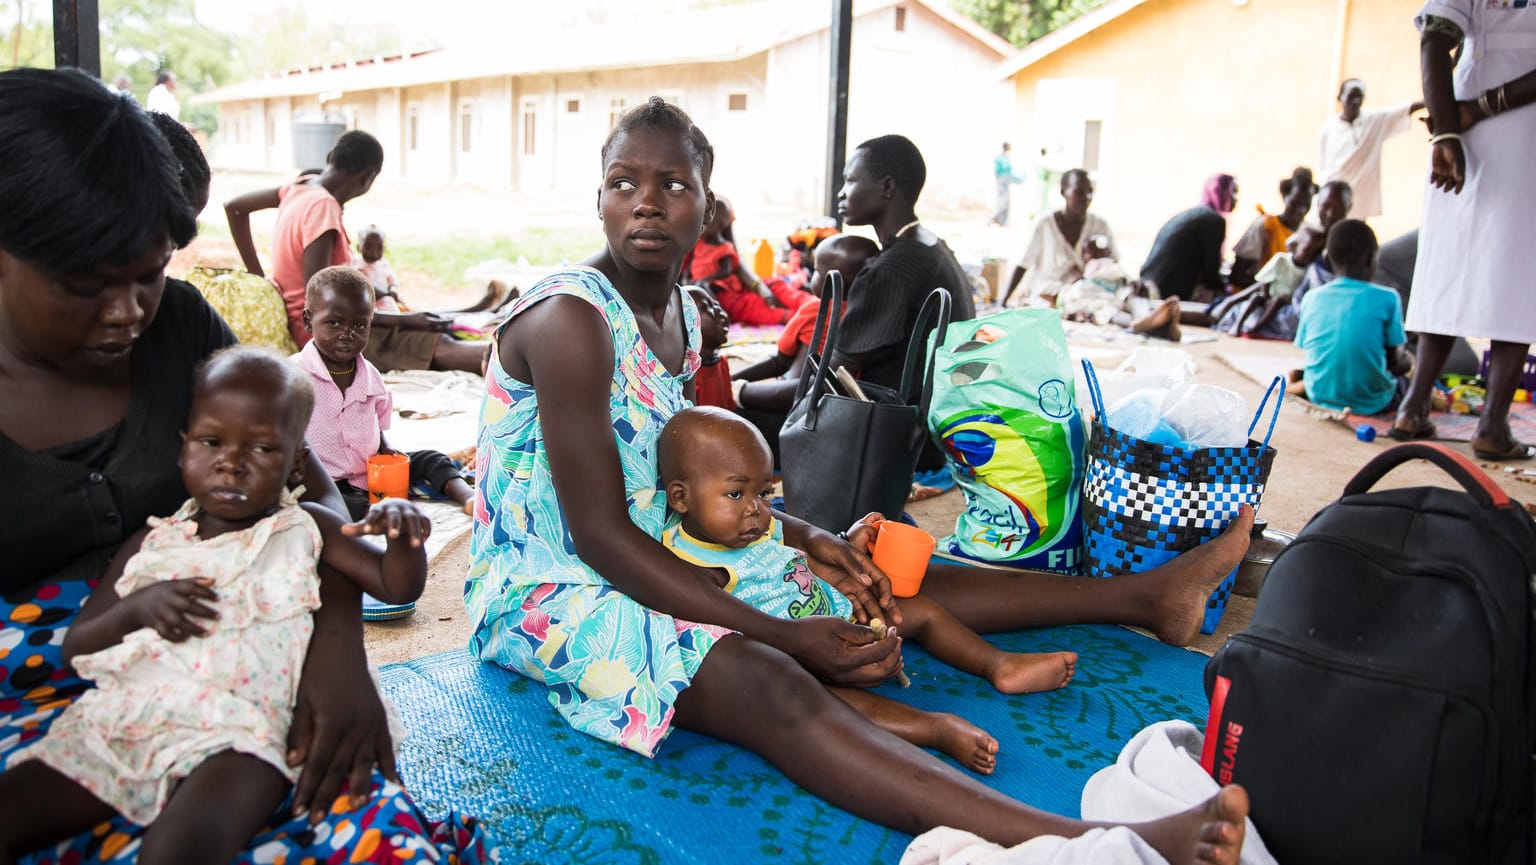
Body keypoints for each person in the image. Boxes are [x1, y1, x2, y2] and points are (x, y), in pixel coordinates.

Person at [467, 95, 1252, 859]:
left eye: (673, 185)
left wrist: (804, 535)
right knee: (764, 675)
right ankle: (1090, 842)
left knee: (876, 568)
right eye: (623, 183)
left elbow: (665, 478)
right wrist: (779, 631)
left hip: (661, 535)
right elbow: (597, 535)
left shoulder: (678, 310)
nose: (646, 204)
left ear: (707, 209)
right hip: (550, 585)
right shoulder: (572, 319)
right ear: (598, 198)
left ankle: (1146, 596)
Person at [0, 67, 490, 863]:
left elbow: (309, 499)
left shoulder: (185, 331)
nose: (127, 311)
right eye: (84, 285)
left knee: (367, 836)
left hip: (244, 668)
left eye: (148, 275)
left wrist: (334, 649)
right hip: (57, 678)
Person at [0, 347, 434, 863]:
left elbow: (394, 588)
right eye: (212, 442)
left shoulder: (308, 527)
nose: (231, 462)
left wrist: (406, 540)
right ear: (183, 451)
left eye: (262, 449)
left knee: (180, 849)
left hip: (249, 732)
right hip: (134, 717)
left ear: (296, 460)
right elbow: (76, 647)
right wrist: (138, 608)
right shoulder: (153, 543)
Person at [658, 407, 1079, 773]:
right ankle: (935, 728)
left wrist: (845, 537)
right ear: (681, 497)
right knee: (828, 699)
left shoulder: (755, 524)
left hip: (839, 614)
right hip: (798, 654)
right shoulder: (692, 565)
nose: (757, 509)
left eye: (765, 493)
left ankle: (999, 664)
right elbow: (724, 633)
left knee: (918, 610)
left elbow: (798, 556)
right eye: (736, 493)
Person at [1394, 3, 1536, 460]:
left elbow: (1435, 37)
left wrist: (1447, 133)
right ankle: (1493, 426)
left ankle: (1412, 408)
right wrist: (1476, 111)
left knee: (1447, 260)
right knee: (1518, 271)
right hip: (1519, 121)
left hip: (1456, 113)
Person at [224, 132, 488, 374]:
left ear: (331, 159)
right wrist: (404, 320)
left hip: (321, 323)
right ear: (367, 178)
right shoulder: (323, 207)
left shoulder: (298, 188)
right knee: (433, 342)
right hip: (329, 334)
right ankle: (511, 360)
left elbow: (234, 206)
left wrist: (256, 274)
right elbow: (324, 298)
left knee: (431, 328)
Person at [296, 266, 475, 517]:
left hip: (370, 473)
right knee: (316, 503)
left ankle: (467, 496)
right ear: (308, 321)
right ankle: (377, 511)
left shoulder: (370, 375)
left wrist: (386, 448)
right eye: (334, 323)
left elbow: (374, 423)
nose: (347, 334)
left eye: (359, 325)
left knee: (431, 459)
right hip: (324, 482)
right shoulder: (294, 376)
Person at [732, 234, 880, 457]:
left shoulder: (815, 310)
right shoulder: (873, 317)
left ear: (832, 279)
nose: (812, 278)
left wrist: (734, 382)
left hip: (787, 403)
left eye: (817, 271)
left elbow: (779, 361)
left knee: (732, 416)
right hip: (838, 416)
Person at [1290, 220, 1412, 415]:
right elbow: (1395, 364)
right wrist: (1408, 360)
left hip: (1318, 393)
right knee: (1407, 379)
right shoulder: (1388, 298)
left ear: (1327, 257)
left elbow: (1312, 348)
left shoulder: (1311, 297)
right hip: (1373, 401)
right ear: (1371, 259)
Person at [686, 195, 811, 326]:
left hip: (733, 288)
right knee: (752, 306)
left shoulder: (724, 247)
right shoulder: (694, 245)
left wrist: (762, 290)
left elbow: (736, 268)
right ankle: (796, 317)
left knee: (775, 284)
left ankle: (812, 306)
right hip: (720, 297)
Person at [1001, 169, 1116, 308]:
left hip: (1083, 295)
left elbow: (1113, 265)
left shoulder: (1100, 227)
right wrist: (1003, 301)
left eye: (1090, 192)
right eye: (1078, 192)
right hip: (1046, 294)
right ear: (1063, 192)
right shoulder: (1044, 224)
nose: (1086, 197)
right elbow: (1023, 264)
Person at [1318, 78, 1423, 221]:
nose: (1355, 101)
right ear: (1340, 97)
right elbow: (1322, 165)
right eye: (1350, 96)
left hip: (1360, 201)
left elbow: (1404, 110)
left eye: (1359, 97)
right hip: (1334, 197)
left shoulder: (1373, 121)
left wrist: (1435, 97)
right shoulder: (1329, 129)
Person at [356, 224, 512, 316]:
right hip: (377, 312)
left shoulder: (384, 265)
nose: (373, 252)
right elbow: (364, 286)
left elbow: (392, 281)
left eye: (379, 247)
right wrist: (388, 294)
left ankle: (481, 310)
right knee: (423, 317)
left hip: (393, 305)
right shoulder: (357, 267)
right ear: (358, 247)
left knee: (426, 314)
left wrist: (393, 289)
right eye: (368, 247)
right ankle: (480, 310)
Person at [1057, 237, 1182, 341]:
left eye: (1102, 252)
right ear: (1083, 257)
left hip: (1122, 293)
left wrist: (1134, 284)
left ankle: (1146, 320)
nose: (1097, 255)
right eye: (1089, 251)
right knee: (1107, 310)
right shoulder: (1085, 276)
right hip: (1104, 298)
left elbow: (1124, 277)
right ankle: (1147, 323)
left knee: (1135, 299)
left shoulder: (1111, 266)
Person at [1138, 174, 1238, 302]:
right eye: (1233, 192)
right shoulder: (1213, 221)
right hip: (1166, 292)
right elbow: (1211, 275)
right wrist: (1228, 289)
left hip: (1151, 283)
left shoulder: (1196, 215)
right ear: (1219, 191)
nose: (1237, 199)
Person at [1228, 167, 1317, 289]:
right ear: (1285, 196)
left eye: (1306, 205)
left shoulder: (1308, 233)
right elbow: (1237, 276)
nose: (1300, 210)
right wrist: (1272, 290)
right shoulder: (1264, 226)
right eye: (1295, 203)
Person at [684, 285, 735, 410]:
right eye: (706, 307)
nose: (719, 311)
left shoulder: (721, 363)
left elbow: (730, 409)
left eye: (716, 305)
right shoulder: (688, 378)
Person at [989, 142, 1024, 227]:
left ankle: (1002, 223)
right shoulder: (999, 158)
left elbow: (1011, 173)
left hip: (1006, 183)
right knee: (1002, 204)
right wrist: (999, 184)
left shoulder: (1007, 158)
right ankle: (993, 219)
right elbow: (997, 172)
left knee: (1006, 204)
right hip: (1001, 183)